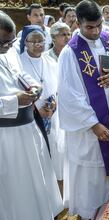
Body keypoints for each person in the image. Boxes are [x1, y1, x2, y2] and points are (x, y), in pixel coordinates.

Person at [57, 0, 109, 220]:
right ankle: (90, 213)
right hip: (89, 127)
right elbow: (69, 96)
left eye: (98, 25)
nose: (96, 31)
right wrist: (93, 123)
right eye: (90, 27)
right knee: (92, 168)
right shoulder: (70, 53)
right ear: (77, 24)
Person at [0, 11, 61, 220]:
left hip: (28, 131)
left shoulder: (7, 55)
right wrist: (13, 101)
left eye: (11, 41)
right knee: (17, 192)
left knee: (37, 184)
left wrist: (34, 85)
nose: (8, 47)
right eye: (4, 43)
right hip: (7, 140)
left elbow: (20, 74)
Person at [19, 25, 66, 187]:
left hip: (52, 115)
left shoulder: (51, 62)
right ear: (25, 42)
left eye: (41, 41)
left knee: (54, 151)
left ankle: (53, 188)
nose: (38, 44)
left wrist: (54, 105)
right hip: (30, 116)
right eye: (34, 41)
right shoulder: (18, 63)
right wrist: (36, 111)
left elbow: (59, 88)